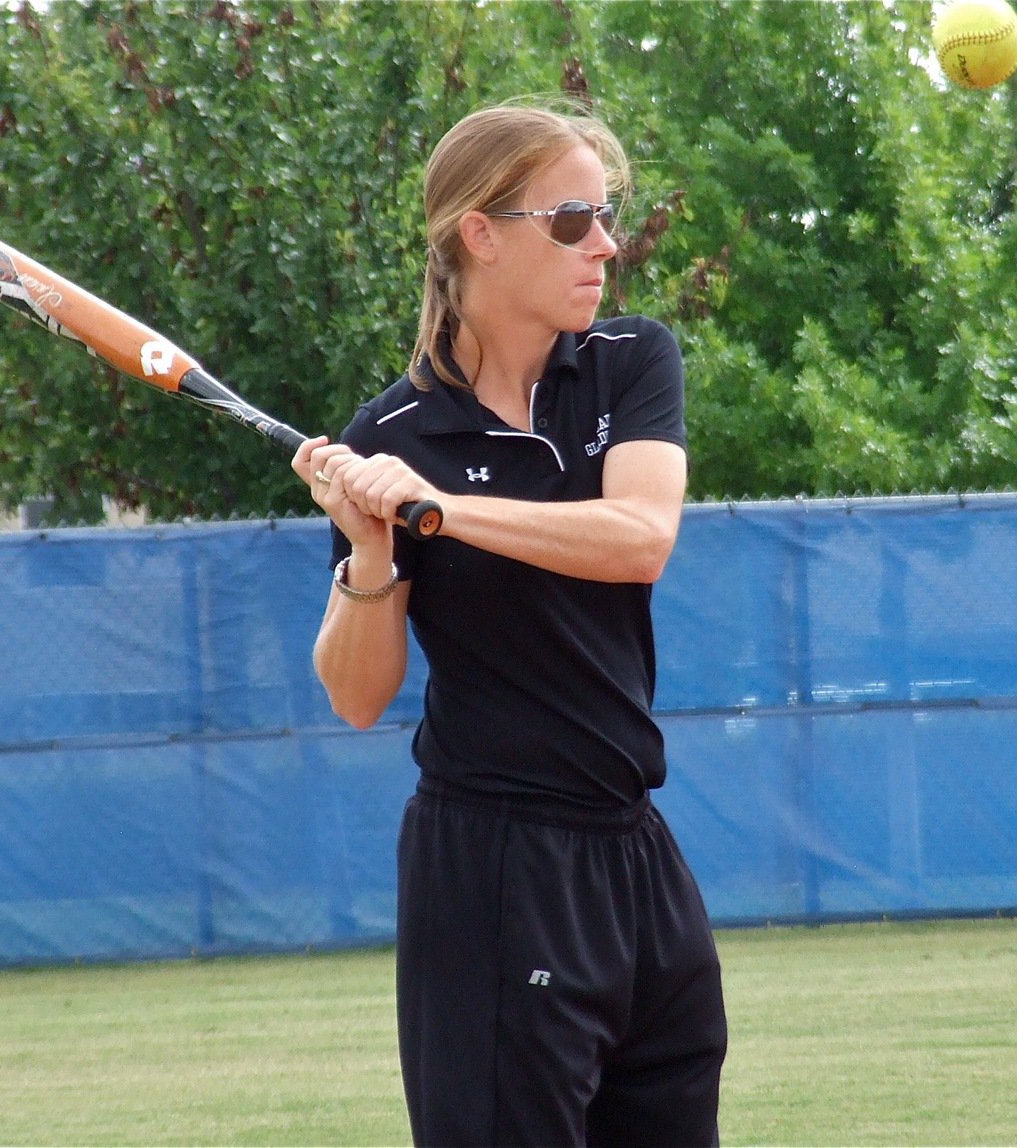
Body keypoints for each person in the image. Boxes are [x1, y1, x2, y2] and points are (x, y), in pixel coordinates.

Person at [292, 102, 728, 1148]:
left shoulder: (629, 361)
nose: (606, 246)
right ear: (480, 234)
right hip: (492, 863)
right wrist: (375, 545)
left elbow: (638, 538)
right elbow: (356, 695)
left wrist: (436, 509)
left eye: (606, 214)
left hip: (637, 854)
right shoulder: (391, 436)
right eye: (572, 219)